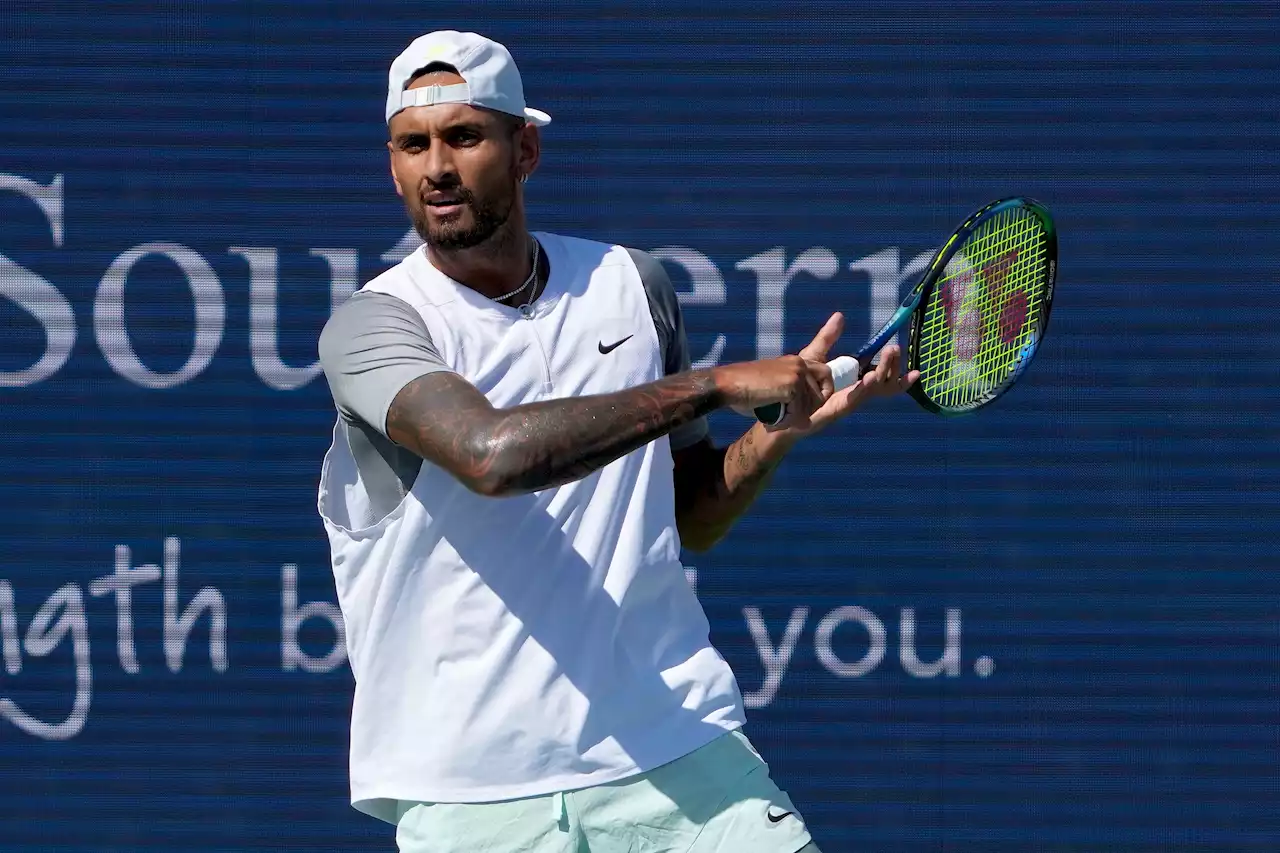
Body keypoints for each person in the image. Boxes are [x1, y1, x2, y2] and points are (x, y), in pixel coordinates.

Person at [316, 29, 918, 853]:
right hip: (472, 793)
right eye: (413, 145)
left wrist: (776, 436)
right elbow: (492, 456)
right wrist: (712, 383)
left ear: (524, 147)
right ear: (391, 164)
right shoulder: (372, 325)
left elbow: (692, 515)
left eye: (464, 136)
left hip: (678, 746)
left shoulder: (634, 287)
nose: (438, 169)